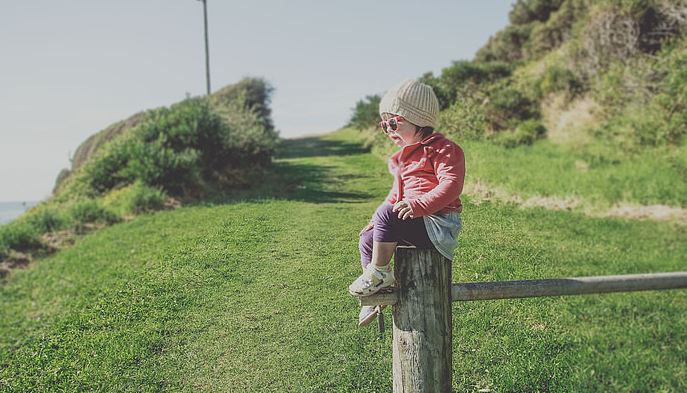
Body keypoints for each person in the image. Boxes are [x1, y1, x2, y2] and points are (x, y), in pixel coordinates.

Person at [348, 79, 465, 326]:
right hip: (415, 220)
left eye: (393, 123)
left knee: (386, 215)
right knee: (368, 238)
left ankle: (379, 274)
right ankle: (378, 293)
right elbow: (396, 194)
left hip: (438, 224)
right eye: (384, 125)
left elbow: (451, 185)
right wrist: (375, 221)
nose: (389, 130)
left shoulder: (444, 150)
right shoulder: (404, 157)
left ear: (420, 119)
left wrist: (418, 205)